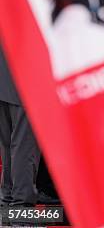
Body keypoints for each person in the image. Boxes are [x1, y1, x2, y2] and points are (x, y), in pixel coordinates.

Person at [0, 46, 40, 208]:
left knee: (9, 146)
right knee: (24, 147)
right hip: (25, 81)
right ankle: (21, 210)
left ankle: (8, 203)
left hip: (5, 80)